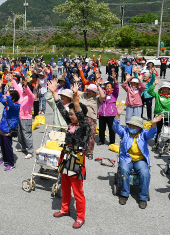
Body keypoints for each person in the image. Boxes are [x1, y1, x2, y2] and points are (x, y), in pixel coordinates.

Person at [51, 83, 90, 229]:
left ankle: (80, 217)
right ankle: (65, 208)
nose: (70, 115)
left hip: (77, 158)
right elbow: (61, 109)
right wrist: (54, 93)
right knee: (65, 185)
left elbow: (79, 114)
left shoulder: (85, 126)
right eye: (70, 114)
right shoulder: (70, 123)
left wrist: (75, 101)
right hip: (66, 155)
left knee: (77, 190)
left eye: (72, 114)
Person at [113, 105, 160, 209]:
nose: (132, 128)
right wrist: (118, 115)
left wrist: (154, 123)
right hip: (126, 157)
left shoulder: (144, 134)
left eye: (135, 126)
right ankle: (124, 194)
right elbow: (115, 127)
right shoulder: (124, 132)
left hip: (140, 159)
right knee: (124, 171)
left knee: (145, 173)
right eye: (130, 125)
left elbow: (152, 134)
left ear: (139, 127)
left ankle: (143, 197)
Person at [0, 80, 20, 170]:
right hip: (2, 127)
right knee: (2, 145)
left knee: (8, 146)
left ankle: (11, 163)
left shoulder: (17, 106)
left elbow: (10, 103)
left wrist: (7, 94)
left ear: (13, 98)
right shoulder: (7, 104)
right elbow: (1, 99)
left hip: (9, 129)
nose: (7, 97)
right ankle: (5, 159)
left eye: (10, 96)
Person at [12, 76, 35, 158]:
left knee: (27, 134)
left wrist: (26, 86)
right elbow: (17, 89)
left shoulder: (31, 97)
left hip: (27, 118)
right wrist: (12, 80)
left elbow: (29, 93)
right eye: (24, 89)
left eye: (25, 89)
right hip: (20, 117)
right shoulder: (22, 95)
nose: (24, 90)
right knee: (20, 133)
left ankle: (30, 151)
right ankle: (23, 146)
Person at [77, 83, 100, 160]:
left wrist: (98, 86)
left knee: (91, 136)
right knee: (80, 134)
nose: (88, 92)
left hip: (92, 118)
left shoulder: (97, 98)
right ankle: (80, 149)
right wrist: (77, 85)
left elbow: (103, 96)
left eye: (91, 91)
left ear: (94, 92)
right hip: (82, 117)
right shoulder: (85, 95)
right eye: (88, 90)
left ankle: (90, 152)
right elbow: (77, 92)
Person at [147, 78, 170, 148]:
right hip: (158, 114)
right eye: (163, 88)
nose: (165, 90)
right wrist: (154, 84)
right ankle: (156, 142)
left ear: (169, 90)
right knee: (158, 129)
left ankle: (166, 144)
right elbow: (149, 91)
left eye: (166, 89)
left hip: (167, 115)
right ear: (161, 89)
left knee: (167, 130)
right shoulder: (157, 94)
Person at [98, 71, 119, 145]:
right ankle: (101, 140)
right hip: (102, 114)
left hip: (111, 114)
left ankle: (112, 142)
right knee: (101, 129)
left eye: (109, 86)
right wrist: (98, 79)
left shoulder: (114, 94)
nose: (107, 88)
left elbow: (117, 87)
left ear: (112, 87)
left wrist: (115, 80)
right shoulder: (103, 92)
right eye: (106, 86)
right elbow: (98, 88)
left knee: (111, 129)